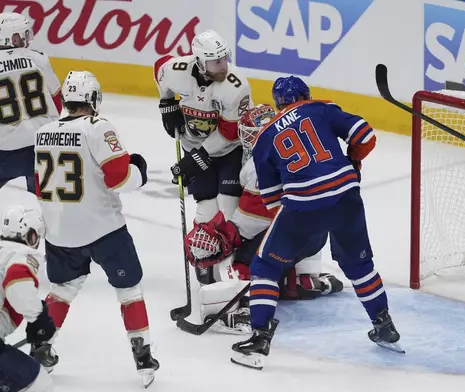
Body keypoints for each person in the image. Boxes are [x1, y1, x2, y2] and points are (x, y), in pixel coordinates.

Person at [229, 76, 402, 370]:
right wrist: (353, 163)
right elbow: (365, 136)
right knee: (359, 265)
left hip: (302, 207)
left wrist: (293, 234)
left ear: (278, 104)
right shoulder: (321, 108)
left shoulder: (264, 139)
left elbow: (273, 201)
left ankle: (259, 338)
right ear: (305, 95)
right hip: (347, 197)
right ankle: (384, 325)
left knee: (265, 266)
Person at [34, 71, 159, 387]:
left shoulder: (43, 132)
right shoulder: (97, 127)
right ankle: (142, 355)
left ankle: (41, 347)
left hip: (60, 231)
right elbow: (119, 179)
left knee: (61, 290)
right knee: (129, 290)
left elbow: (39, 186)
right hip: (105, 229)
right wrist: (139, 171)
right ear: (92, 100)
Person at [184, 105, 343, 334]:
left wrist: (224, 236)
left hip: (292, 234)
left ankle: (247, 308)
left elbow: (252, 221)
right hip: (318, 234)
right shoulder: (299, 146)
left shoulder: (256, 166)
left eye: (250, 135)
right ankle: (303, 281)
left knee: (245, 260)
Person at [153, 30, 253, 283]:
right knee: (206, 206)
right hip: (193, 145)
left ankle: (235, 271)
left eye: (225, 58)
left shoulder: (235, 86)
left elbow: (230, 133)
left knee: (229, 209)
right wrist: (167, 106)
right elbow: (158, 71)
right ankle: (206, 259)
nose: (224, 65)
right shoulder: (176, 70)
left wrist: (198, 157)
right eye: (216, 61)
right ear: (199, 61)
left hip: (231, 151)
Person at [0, 12, 62, 195]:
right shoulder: (39, 58)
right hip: (41, 147)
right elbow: (58, 101)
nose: (27, 38)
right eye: (24, 34)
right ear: (13, 37)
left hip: (4, 151)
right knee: (49, 205)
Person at [0, 205, 54, 391]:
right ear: (30, 235)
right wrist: (37, 318)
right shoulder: (20, 254)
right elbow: (16, 282)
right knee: (39, 384)